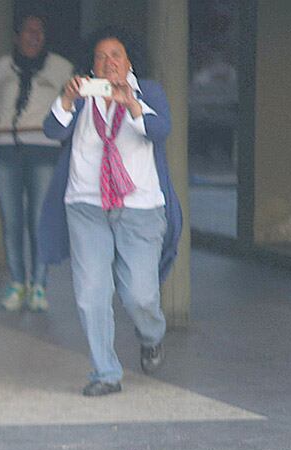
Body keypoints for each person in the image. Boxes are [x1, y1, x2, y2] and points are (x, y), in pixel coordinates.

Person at [38, 27, 183, 396]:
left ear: (128, 61)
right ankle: (105, 372)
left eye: (115, 55)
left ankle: (151, 335)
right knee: (91, 293)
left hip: (140, 208)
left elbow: (161, 129)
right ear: (93, 65)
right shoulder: (84, 95)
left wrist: (130, 103)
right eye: (101, 57)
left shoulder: (147, 91)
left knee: (140, 295)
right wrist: (67, 100)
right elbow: (53, 130)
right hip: (87, 205)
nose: (108, 63)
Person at [0, 13, 73, 312]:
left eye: (40, 30)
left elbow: (79, 97)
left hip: (44, 149)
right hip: (6, 150)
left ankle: (39, 285)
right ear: (16, 36)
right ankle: (17, 282)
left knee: (39, 219)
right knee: (12, 221)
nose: (34, 35)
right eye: (28, 30)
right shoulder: (3, 67)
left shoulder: (60, 67)